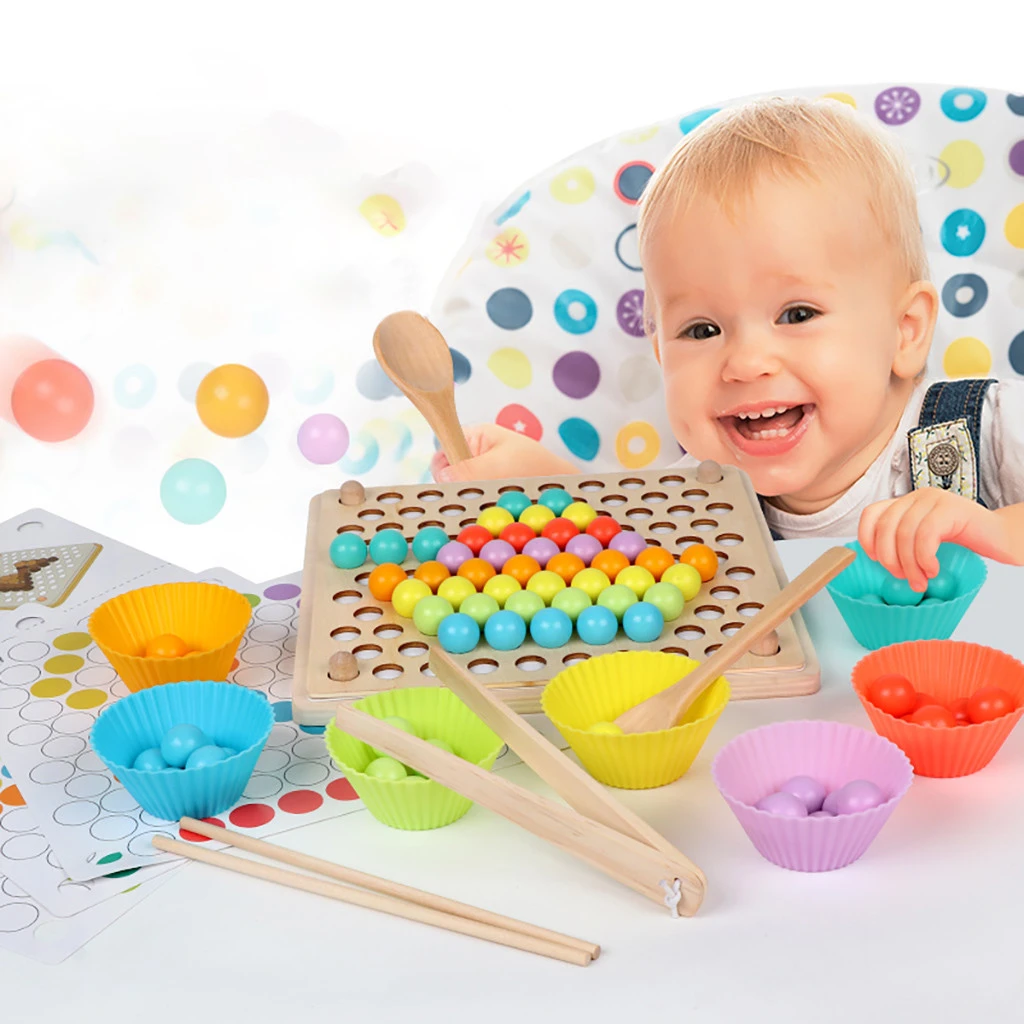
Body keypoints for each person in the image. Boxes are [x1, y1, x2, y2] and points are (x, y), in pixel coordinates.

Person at [431, 96, 1024, 591]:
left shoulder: (989, 428)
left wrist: (995, 534)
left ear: (906, 331)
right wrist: (544, 487)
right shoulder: (703, 495)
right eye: (701, 330)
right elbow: (619, 551)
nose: (745, 362)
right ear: (661, 355)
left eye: (797, 314)